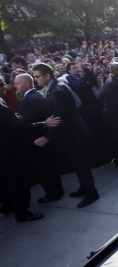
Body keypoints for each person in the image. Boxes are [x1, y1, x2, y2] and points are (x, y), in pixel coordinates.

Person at [31, 63, 99, 208]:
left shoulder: (58, 90)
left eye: (37, 76)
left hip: (73, 136)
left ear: (47, 76)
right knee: (76, 164)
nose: (35, 79)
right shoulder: (55, 87)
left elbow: (59, 118)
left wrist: (46, 137)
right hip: (69, 135)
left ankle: (91, 193)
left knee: (81, 166)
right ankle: (83, 188)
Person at [0, 74, 61, 222]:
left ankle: (7, 206)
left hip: (5, 152)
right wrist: (44, 124)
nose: (7, 88)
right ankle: (22, 213)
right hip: (10, 152)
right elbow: (17, 128)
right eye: (3, 85)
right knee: (19, 183)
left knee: (8, 182)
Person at [13, 74, 64, 203]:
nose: (14, 86)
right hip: (41, 136)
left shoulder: (31, 98)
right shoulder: (33, 96)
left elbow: (33, 118)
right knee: (49, 166)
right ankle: (56, 191)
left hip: (38, 138)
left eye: (17, 83)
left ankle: (53, 193)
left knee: (44, 167)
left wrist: (21, 119)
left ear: (27, 84)